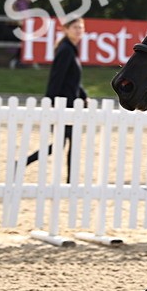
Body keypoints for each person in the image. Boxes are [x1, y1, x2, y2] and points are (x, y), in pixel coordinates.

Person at [24, 17, 87, 181]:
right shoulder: (66, 50)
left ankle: (22, 164)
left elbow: (71, 79)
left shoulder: (70, 49)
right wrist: (50, 101)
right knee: (64, 143)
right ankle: (70, 180)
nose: (78, 30)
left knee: (63, 143)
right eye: (75, 27)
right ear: (65, 29)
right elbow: (57, 78)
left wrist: (83, 95)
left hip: (71, 104)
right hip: (63, 105)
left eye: (80, 27)